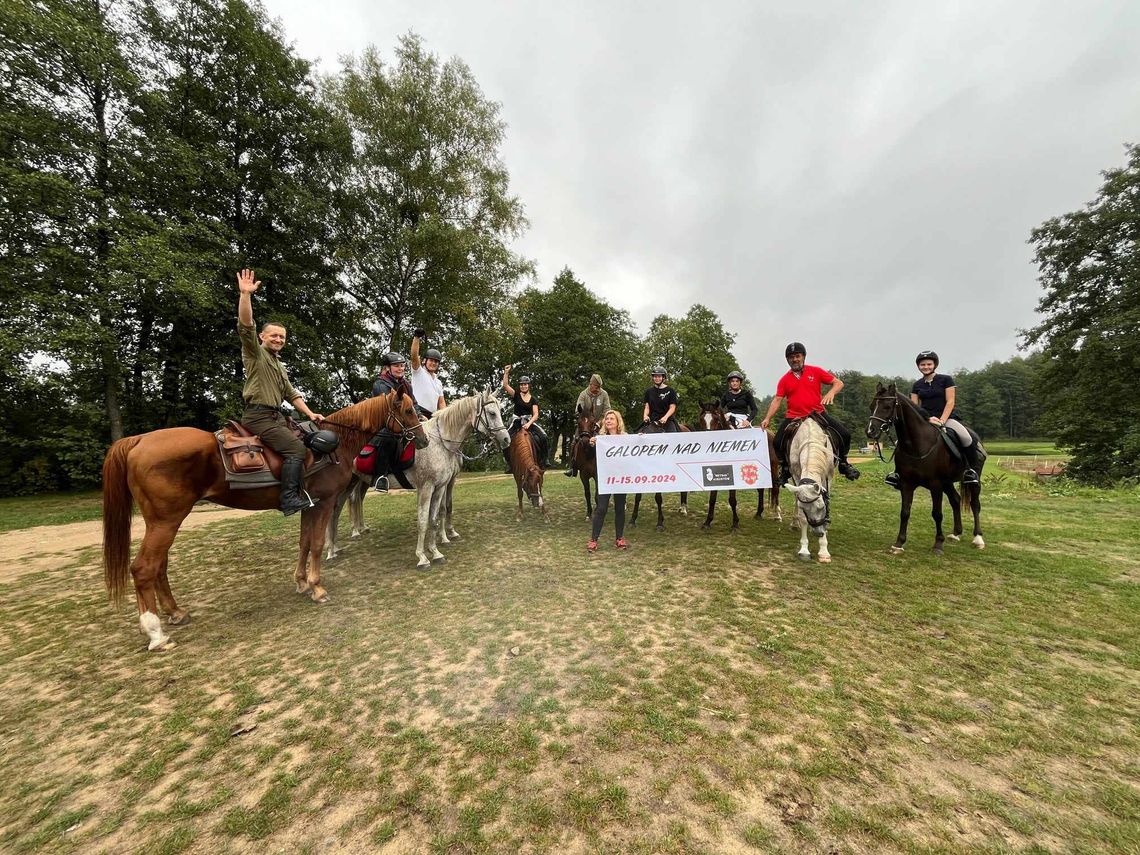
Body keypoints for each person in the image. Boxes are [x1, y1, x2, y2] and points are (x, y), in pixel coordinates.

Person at [235, 269, 326, 515]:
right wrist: (245, 295)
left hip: (276, 416)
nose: (278, 339)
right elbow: (245, 326)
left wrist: (311, 414)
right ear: (262, 336)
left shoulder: (278, 365)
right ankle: (288, 499)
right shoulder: (255, 353)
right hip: (258, 416)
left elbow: (291, 394)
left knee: (309, 439)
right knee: (296, 450)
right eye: (274, 335)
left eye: (282, 336)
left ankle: (302, 488)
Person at [760, 342, 860, 485]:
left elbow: (838, 383)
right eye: (791, 357)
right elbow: (777, 400)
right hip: (794, 417)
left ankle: (844, 463)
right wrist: (767, 418)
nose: (795, 359)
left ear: (803, 357)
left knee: (845, 434)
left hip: (817, 414)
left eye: (797, 356)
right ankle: (786, 468)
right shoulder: (784, 380)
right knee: (777, 442)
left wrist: (831, 393)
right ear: (787, 360)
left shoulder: (816, 371)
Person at [885, 350, 982, 489]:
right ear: (918, 366)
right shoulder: (917, 385)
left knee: (966, 437)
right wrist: (928, 419)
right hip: (925, 420)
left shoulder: (946, 380)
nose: (926, 367)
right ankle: (897, 473)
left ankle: (971, 471)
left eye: (929, 364)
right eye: (922, 364)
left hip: (946, 418)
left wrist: (942, 420)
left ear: (934, 364)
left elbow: (950, 402)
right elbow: (914, 408)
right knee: (900, 442)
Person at [368, 351, 416, 493]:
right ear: (388, 368)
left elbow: (414, 404)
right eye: (396, 366)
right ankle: (380, 476)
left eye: (402, 366)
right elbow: (386, 408)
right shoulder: (380, 384)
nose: (400, 368)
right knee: (389, 437)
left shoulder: (407, 385)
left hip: (402, 422)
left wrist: (419, 415)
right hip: (383, 423)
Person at [587, 409, 630, 552]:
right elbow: (592, 457)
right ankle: (593, 539)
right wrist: (592, 444)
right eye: (607, 419)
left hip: (621, 478)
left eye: (612, 418)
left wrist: (640, 440)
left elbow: (635, 450)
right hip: (605, 479)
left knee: (620, 508)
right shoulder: (600, 438)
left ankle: (619, 538)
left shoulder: (625, 437)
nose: (609, 421)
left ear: (618, 421)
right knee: (601, 508)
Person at [501, 364, 549, 471]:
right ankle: (510, 464)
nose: (523, 386)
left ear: (528, 385)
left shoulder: (533, 399)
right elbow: (505, 385)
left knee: (544, 437)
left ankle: (545, 460)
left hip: (529, 421)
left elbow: (536, 414)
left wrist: (529, 423)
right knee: (505, 440)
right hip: (516, 421)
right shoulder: (516, 394)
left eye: (525, 384)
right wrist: (506, 372)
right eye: (522, 384)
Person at [564, 373, 611, 477]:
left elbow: (607, 410)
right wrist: (585, 418)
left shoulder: (604, 394)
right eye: (597, 386)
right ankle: (572, 467)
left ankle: (609, 465)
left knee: (608, 440)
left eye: (599, 387)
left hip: (600, 423)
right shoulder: (583, 394)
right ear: (591, 384)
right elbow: (578, 409)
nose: (598, 389)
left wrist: (599, 423)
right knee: (574, 441)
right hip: (585, 424)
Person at [409, 328, 446, 419]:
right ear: (424, 361)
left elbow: (441, 402)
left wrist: (445, 417)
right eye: (431, 360)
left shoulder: (438, 382)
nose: (433, 363)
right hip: (417, 413)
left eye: (436, 362)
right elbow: (414, 356)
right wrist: (417, 338)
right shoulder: (419, 371)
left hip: (432, 417)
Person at [642, 366, 680, 432]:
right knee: (640, 434)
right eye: (655, 377)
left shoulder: (671, 391)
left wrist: (665, 417)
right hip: (653, 420)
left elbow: (672, 407)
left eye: (659, 376)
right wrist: (645, 415)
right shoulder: (649, 391)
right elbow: (647, 407)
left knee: (674, 437)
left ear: (663, 377)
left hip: (667, 420)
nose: (657, 378)